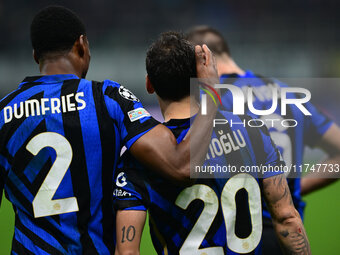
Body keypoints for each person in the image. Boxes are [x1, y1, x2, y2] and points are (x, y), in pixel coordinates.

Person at [0, 6, 219, 254]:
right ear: (81, 45)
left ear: (35, 56)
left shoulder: (3, 113)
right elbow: (182, 164)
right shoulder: (107, 99)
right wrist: (210, 91)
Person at [113, 31, 311, 255]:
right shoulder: (253, 131)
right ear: (199, 79)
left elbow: (126, 251)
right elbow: (287, 218)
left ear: (149, 84)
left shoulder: (139, 158)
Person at [187, 25, 340, 254]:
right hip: (290, 232)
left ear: (201, 60)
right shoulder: (287, 94)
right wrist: (296, 186)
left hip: (241, 236)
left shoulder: (211, 101)